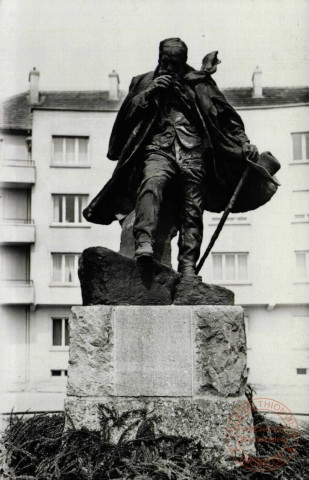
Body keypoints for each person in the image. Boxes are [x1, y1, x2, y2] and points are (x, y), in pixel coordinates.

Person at [83, 38, 280, 276]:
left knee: (192, 207)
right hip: (158, 148)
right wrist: (151, 91)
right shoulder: (143, 81)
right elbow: (126, 118)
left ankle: (188, 266)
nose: (170, 66)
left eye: (175, 62)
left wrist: (244, 142)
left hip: (192, 150)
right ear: (159, 58)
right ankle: (144, 242)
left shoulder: (200, 83)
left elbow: (228, 118)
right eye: (166, 61)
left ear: (183, 61)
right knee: (151, 182)